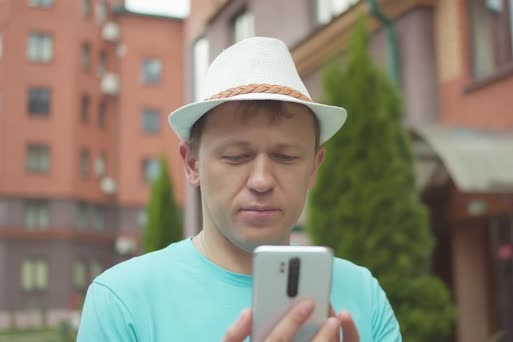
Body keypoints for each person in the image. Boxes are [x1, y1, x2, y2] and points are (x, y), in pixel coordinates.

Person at [77, 36, 401, 341]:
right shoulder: (121, 302)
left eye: (286, 157)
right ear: (192, 163)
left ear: (314, 166)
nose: (261, 180)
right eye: (236, 157)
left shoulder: (364, 295)